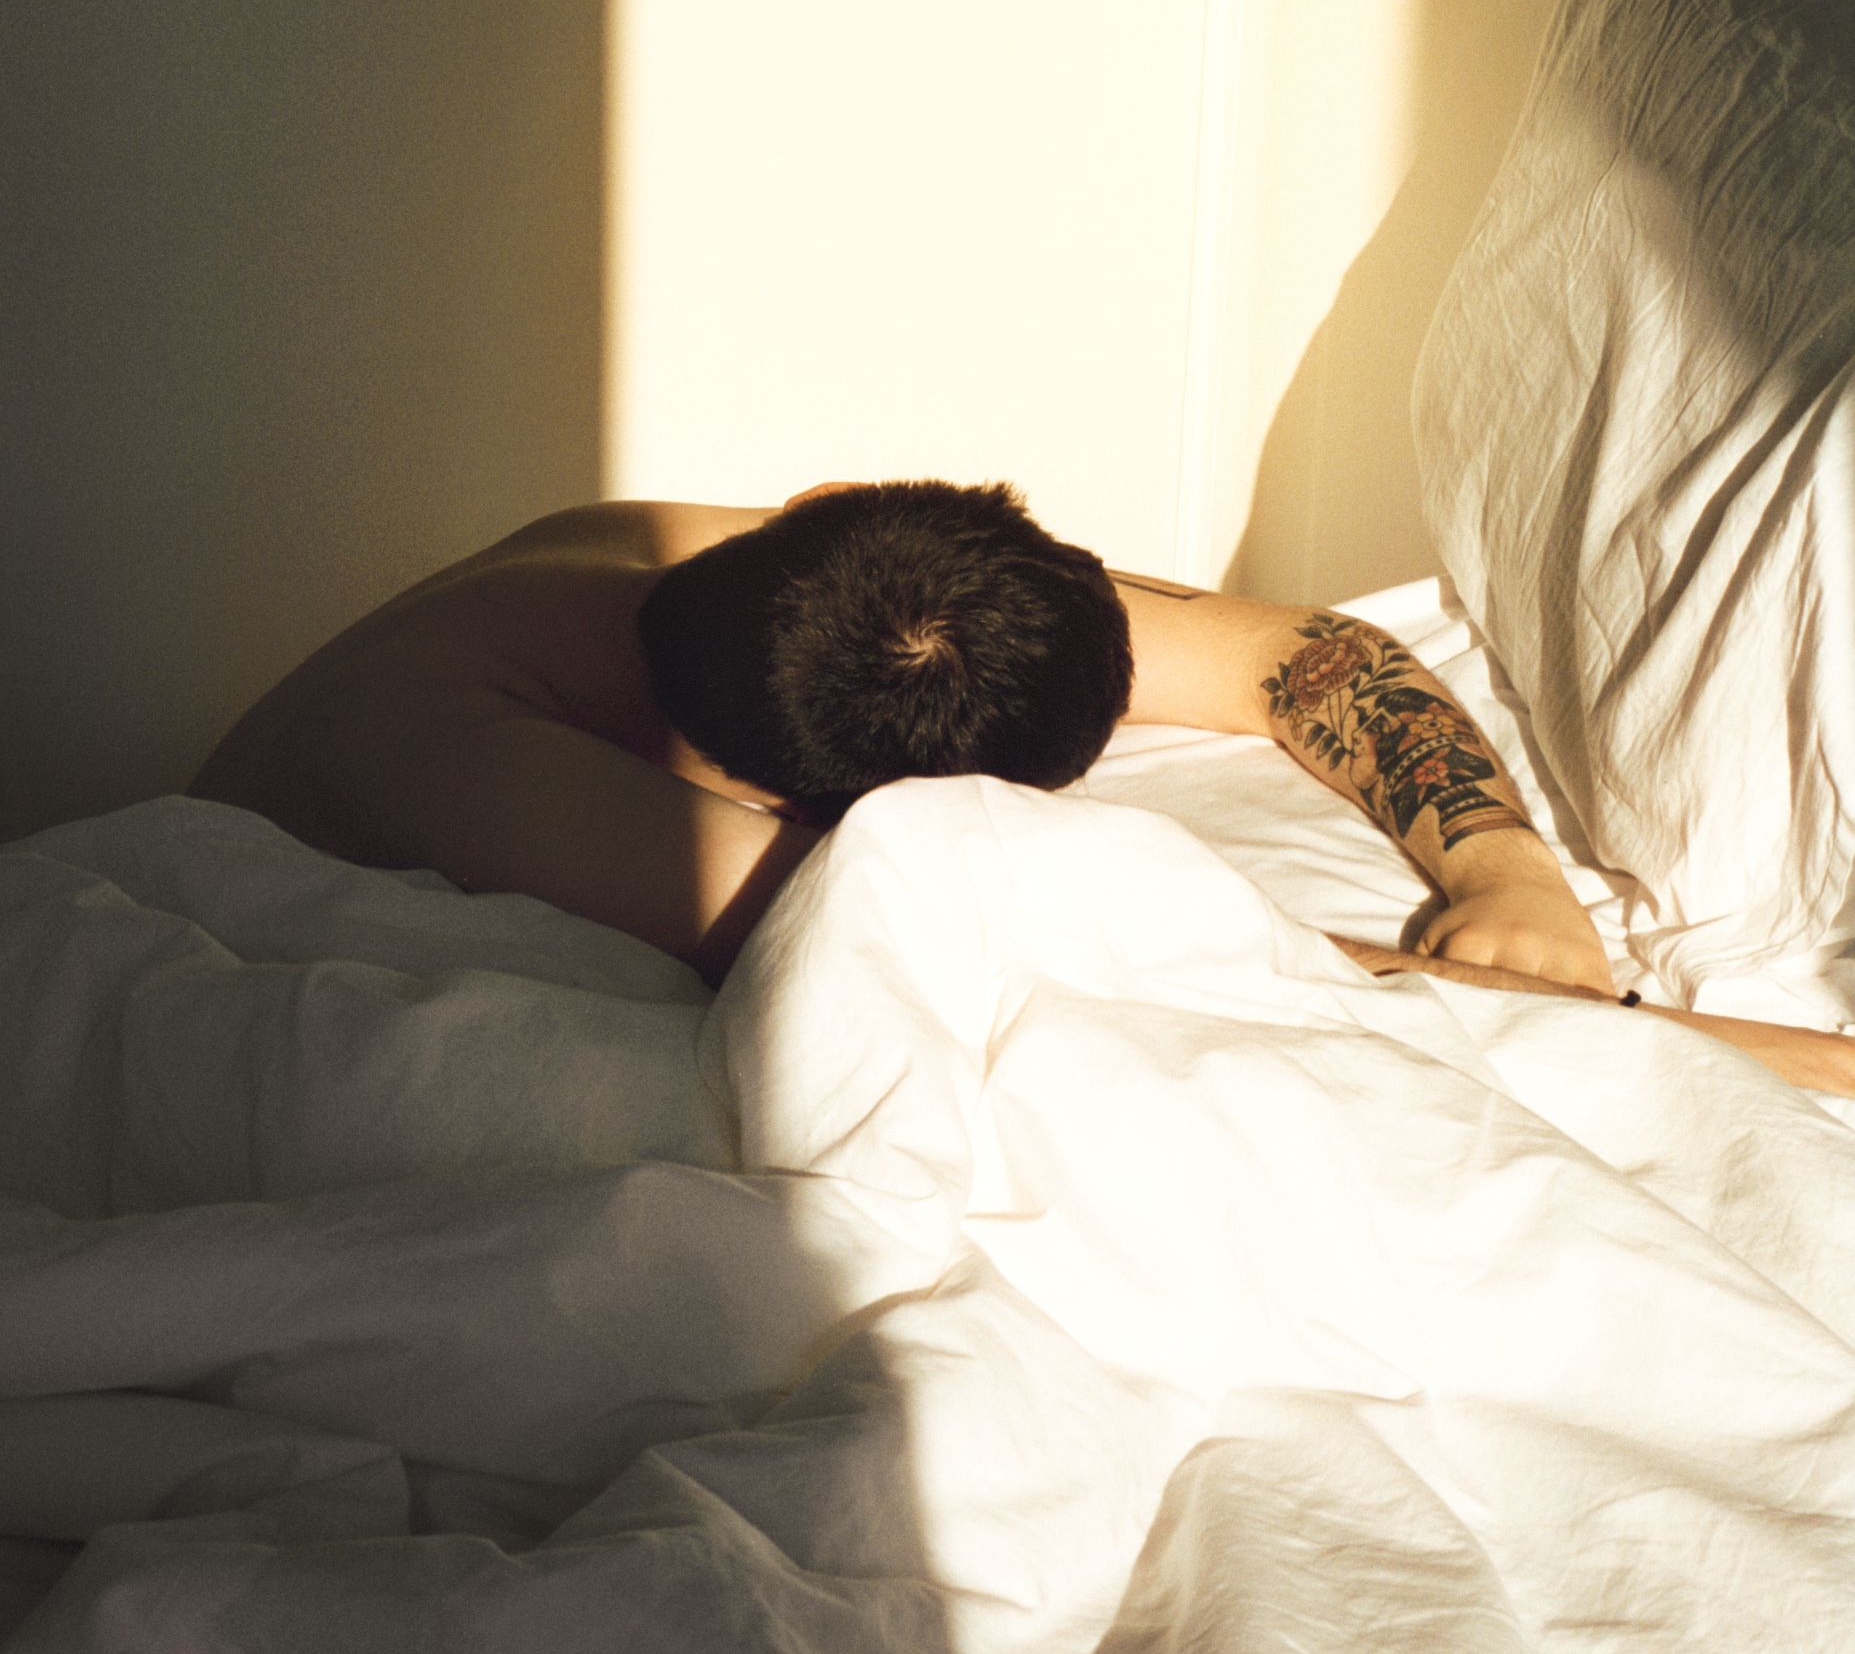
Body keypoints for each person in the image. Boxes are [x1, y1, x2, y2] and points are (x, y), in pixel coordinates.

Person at [188, 481, 1854, 1094]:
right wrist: (1753, 1054)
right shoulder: (494, 771)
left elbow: (1295, 657)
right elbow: (1102, 952)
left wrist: (1505, 868)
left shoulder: (801, 577)